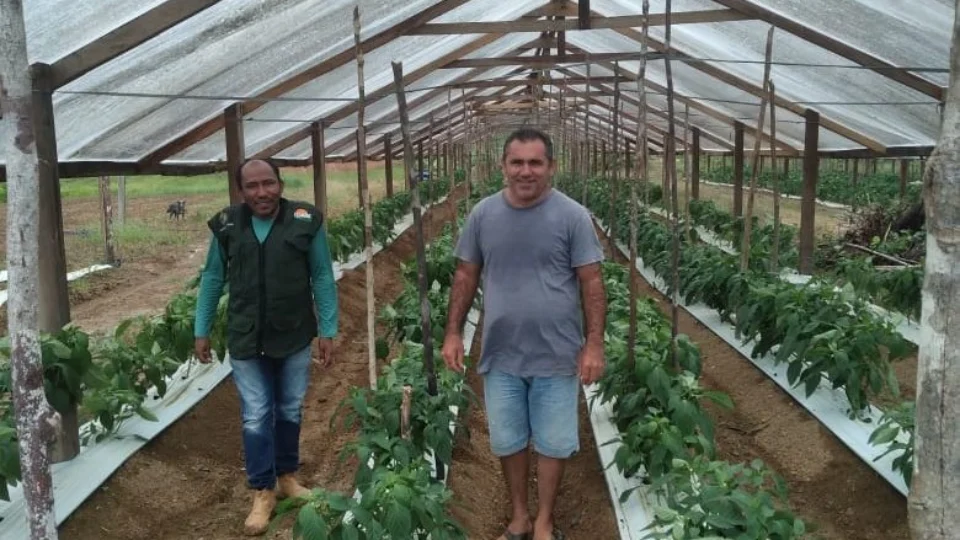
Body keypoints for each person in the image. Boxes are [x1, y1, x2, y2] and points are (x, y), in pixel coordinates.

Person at [441, 128, 607, 540]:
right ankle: (518, 517)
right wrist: (453, 332)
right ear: (503, 166)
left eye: (535, 162)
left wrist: (594, 344)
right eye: (517, 162)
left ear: (551, 166)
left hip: (556, 354)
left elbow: (592, 282)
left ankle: (545, 521)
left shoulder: (572, 216)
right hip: (500, 354)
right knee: (509, 439)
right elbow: (465, 275)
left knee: (553, 442)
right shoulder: (483, 215)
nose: (526, 171)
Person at [193, 158, 338, 536]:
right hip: (246, 336)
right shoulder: (227, 225)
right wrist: (201, 328)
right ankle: (262, 490)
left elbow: (322, 274)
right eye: (253, 186)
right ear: (241, 191)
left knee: (289, 406)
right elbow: (212, 276)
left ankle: (287, 476)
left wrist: (329, 328)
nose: (262, 193)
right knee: (256, 413)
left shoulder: (306, 221)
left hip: (292, 334)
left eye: (269, 184)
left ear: (280, 183)